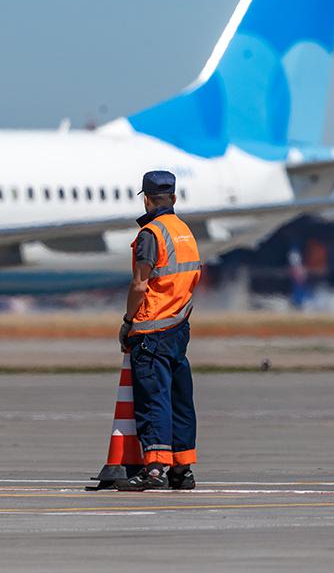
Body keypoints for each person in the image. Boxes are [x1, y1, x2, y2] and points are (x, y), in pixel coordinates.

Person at [115, 170, 201, 492]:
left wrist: (128, 320)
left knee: (154, 400)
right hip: (179, 325)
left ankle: (154, 469)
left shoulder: (151, 234)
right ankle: (182, 469)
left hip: (152, 329)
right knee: (180, 400)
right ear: (174, 198)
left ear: (147, 200)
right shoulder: (184, 232)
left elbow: (140, 284)